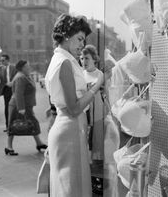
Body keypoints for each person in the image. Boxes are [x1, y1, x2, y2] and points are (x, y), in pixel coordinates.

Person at [45, 13, 104, 197]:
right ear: (66, 35)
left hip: (68, 129)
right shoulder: (65, 63)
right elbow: (74, 108)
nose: (82, 45)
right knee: (72, 190)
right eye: (79, 39)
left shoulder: (62, 60)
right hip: (69, 129)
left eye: (83, 40)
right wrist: (96, 86)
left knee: (70, 188)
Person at [5, 60, 47, 156]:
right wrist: (21, 108)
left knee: (32, 123)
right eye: (27, 67)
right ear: (22, 68)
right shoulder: (20, 77)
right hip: (19, 106)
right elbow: (18, 93)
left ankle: (39, 143)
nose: (29, 68)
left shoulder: (23, 76)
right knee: (13, 125)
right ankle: (9, 147)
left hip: (24, 106)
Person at [80, 44, 104, 161]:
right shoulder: (81, 74)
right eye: (82, 58)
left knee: (97, 133)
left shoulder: (99, 74)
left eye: (87, 58)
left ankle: (96, 158)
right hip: (85, 107)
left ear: (94, 59)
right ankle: (86, 158)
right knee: (85, 132)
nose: (84, 61)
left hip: (97, 107)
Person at [0, 54, 17, 132]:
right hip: (6, 89)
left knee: (14, 107)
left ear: (8, 60)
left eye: (3, 60)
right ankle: (8, 126)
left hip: (14, 89)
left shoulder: (14, 67)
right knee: (7, 107)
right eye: (0, 60)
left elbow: (19, 75)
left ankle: (15, 125)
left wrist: (13, 82)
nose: (1, 62)